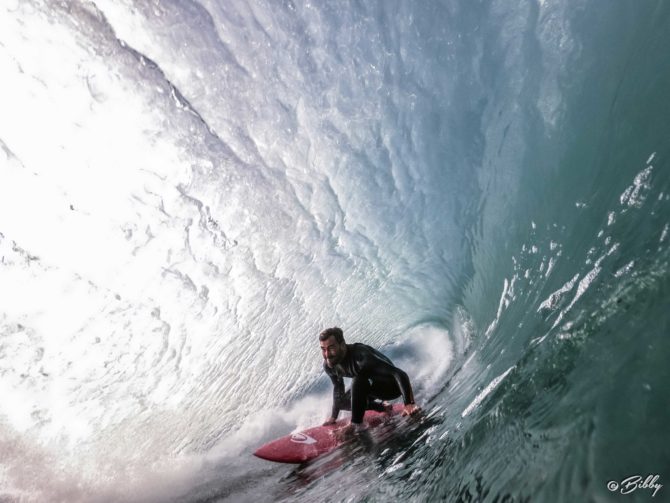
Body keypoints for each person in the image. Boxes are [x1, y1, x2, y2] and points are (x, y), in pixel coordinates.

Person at [319, 327, 420, 432]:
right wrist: (333, 417)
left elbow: (399, 373)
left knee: (358, 380)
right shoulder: (329, 365)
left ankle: (356, 425)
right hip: (369, 388)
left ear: (342, 344)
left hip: (391, 387)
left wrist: (409, 404)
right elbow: (338, 388)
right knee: (341, 401)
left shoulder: (361, 357)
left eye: (331, 348)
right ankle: (382, 407)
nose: (327, 354)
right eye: (323, 349)